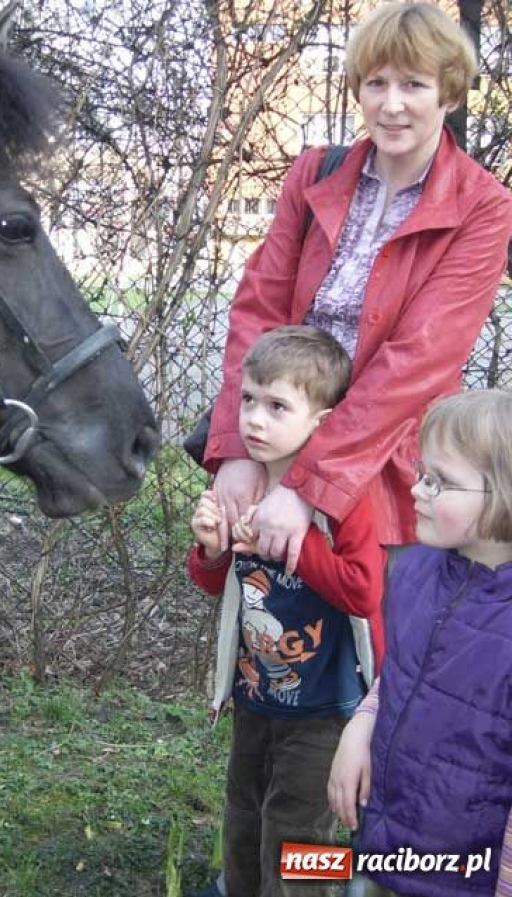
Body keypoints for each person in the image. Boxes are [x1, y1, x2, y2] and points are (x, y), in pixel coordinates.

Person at [205, 2, 512, 574]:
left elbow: (416, 362)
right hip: (277, 445)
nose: (391, 105)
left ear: (448, 94)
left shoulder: (483, 207)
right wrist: (237, 451)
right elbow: (258, 311)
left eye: (413, 85)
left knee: (370, 626)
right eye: (376, 83)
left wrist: (307, 486)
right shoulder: (315, 174)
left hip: (380, 473)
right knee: (264, 621)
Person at [188, 326, 386, 897]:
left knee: (301, 837)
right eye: (248, 399)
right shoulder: (240, 485)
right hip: (256, 696)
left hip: (325, 709)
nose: (254, 419)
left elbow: (363, 591)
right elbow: (214, 582)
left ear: (321, 424)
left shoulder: (344, 501)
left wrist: (297, 545)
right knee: (244, 816)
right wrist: (211, 549)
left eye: (277, 407)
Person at [328, 389, 512, 897]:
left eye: (439, 481)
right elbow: (402, 668)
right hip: (393, 835)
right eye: (421, 471)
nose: (417, 489)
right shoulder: (414, 571)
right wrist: (361, 726)